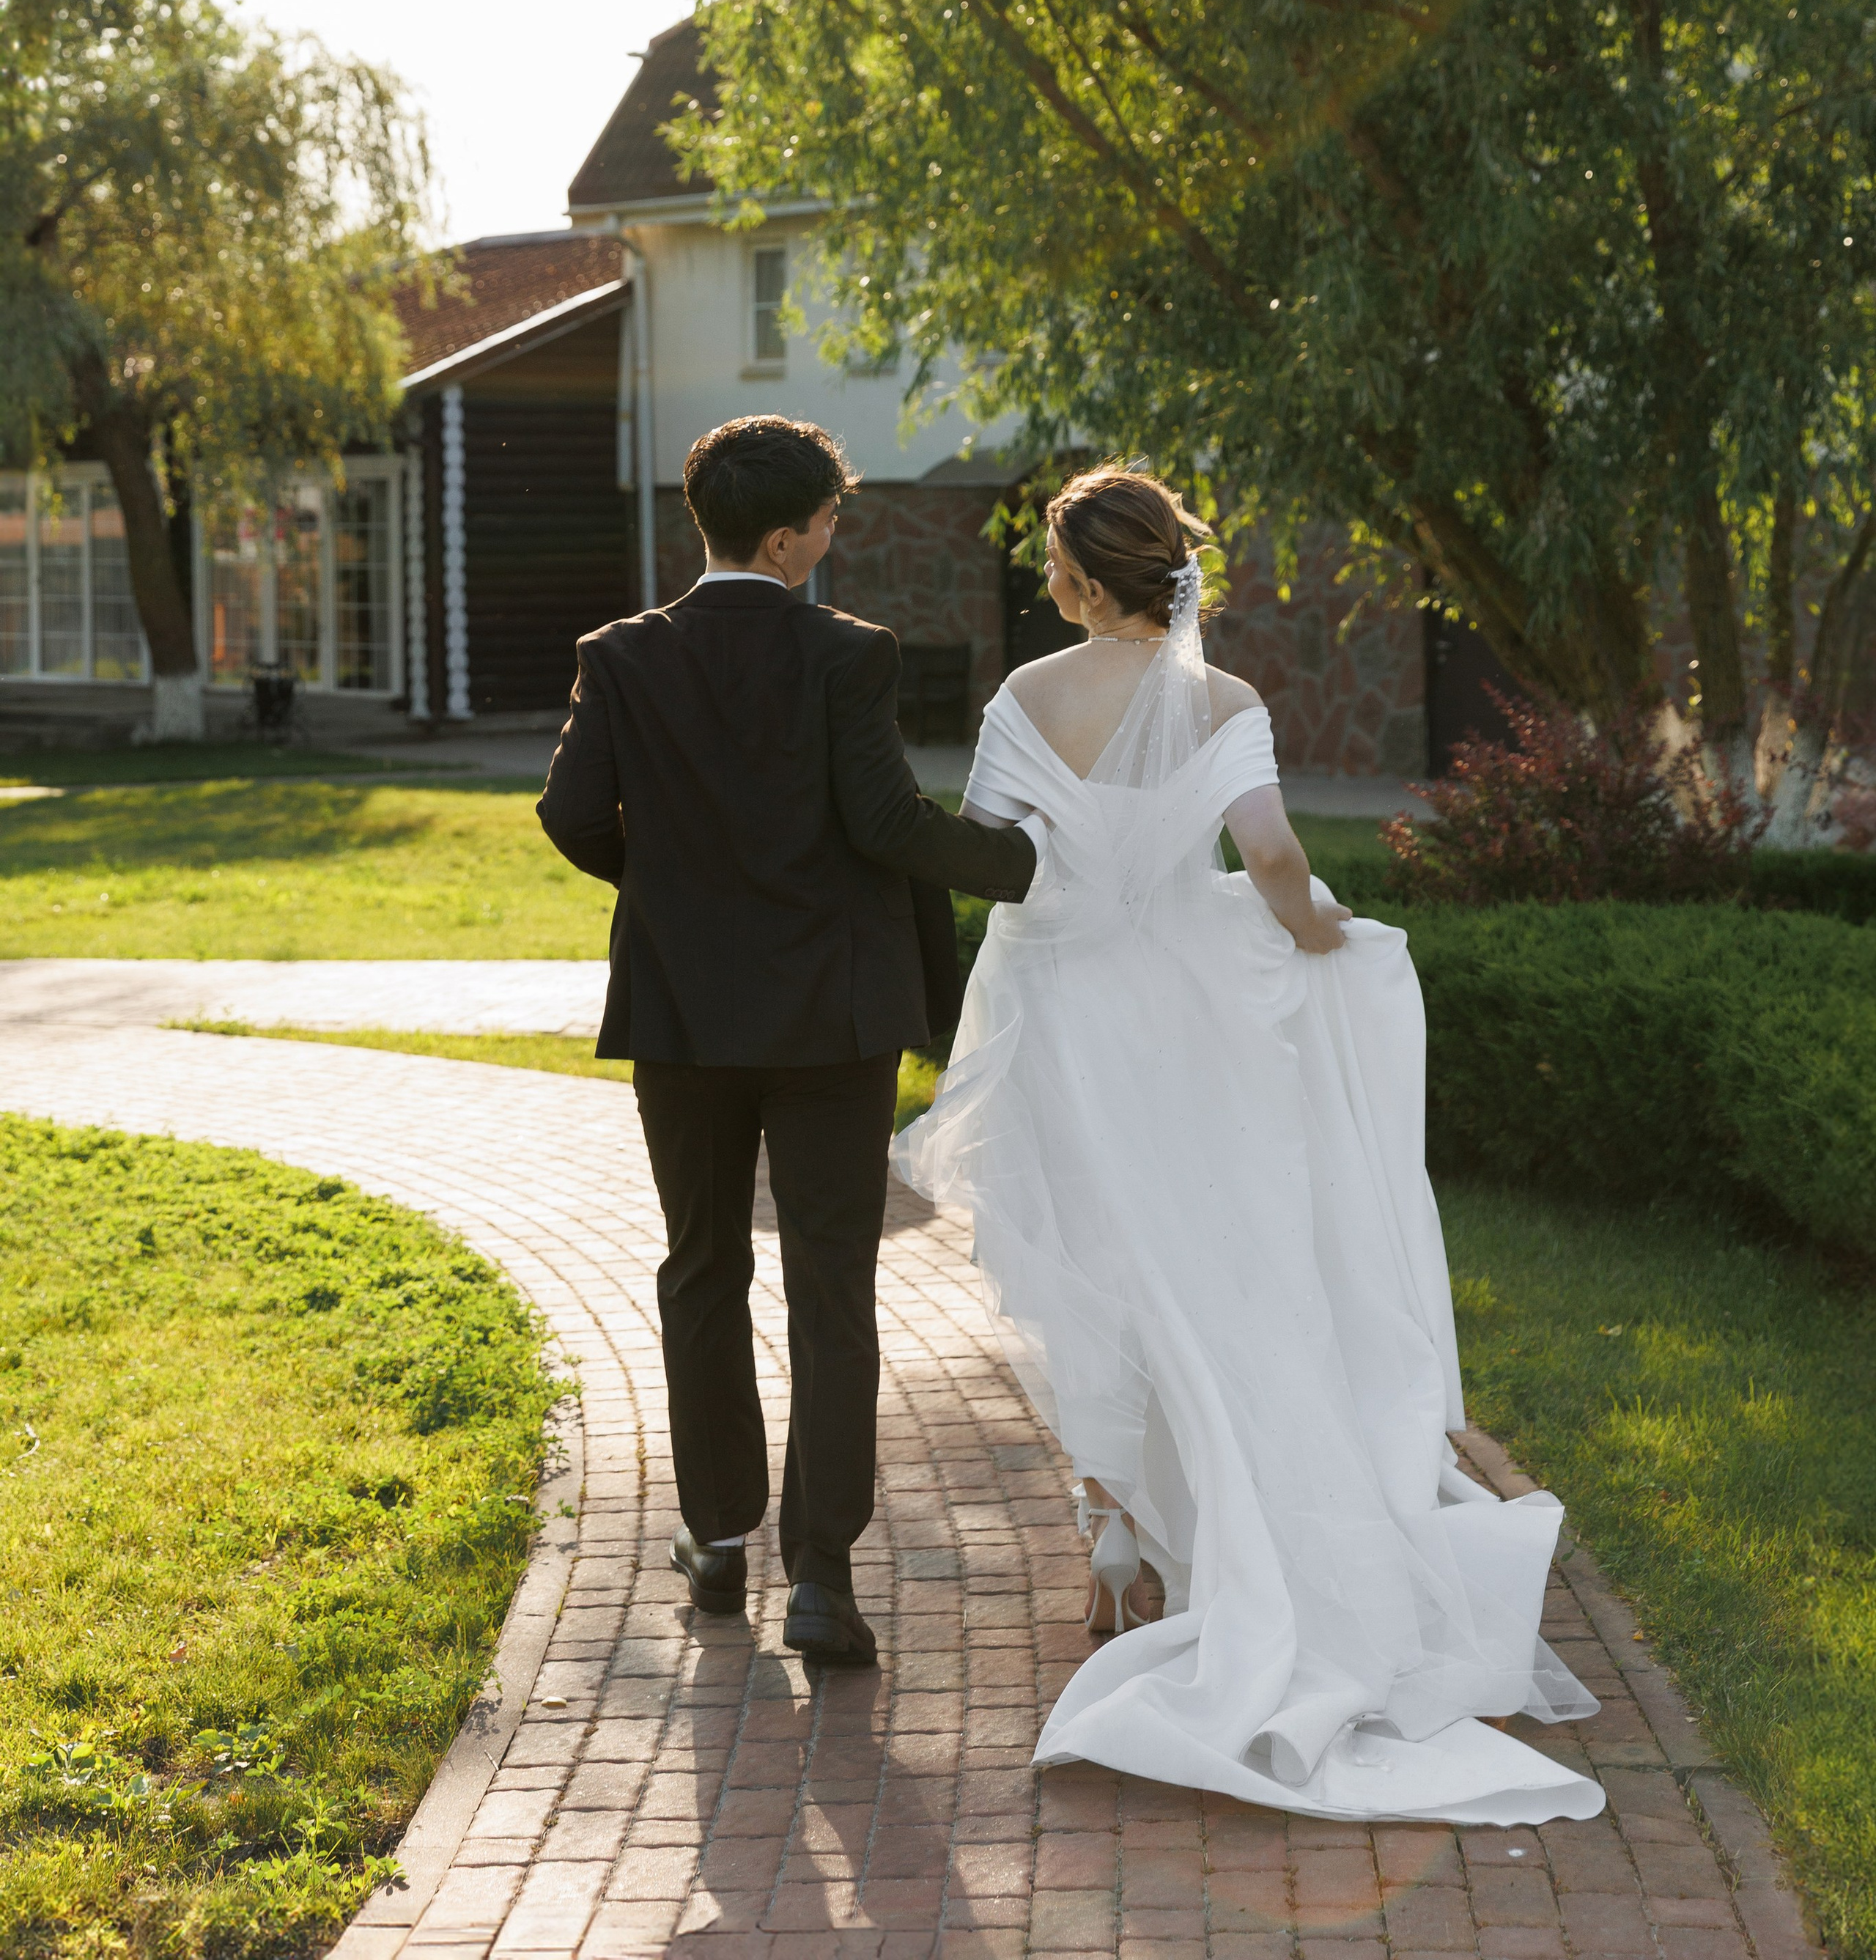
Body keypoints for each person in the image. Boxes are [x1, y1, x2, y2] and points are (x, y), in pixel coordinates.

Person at [894, 463, 1606, 1825]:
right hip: (1188, 1015)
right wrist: (1325, 936)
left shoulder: (1023, 699)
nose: (1046, 582)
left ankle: (1111, 1529)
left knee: (1095, 1268)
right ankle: (1198, 1530)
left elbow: (991, 856)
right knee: (1209, 1270)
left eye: (1053, 562)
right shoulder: (1225, 703)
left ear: (1082, 580)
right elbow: (1272, 860)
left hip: (1055, 1005)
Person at [537, 414, 1042, 1670]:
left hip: (684, 1020)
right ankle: (823, 1578)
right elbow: (883, 820)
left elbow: (567, 810)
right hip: (831, 1019)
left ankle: (714, 1543)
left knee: (702, 1269)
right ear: (781, 537)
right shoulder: (846, 656)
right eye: (826, 521)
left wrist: (669, 891)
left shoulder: (621, 655)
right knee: (831, 1288)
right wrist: (1025, 860)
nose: (832, 538)